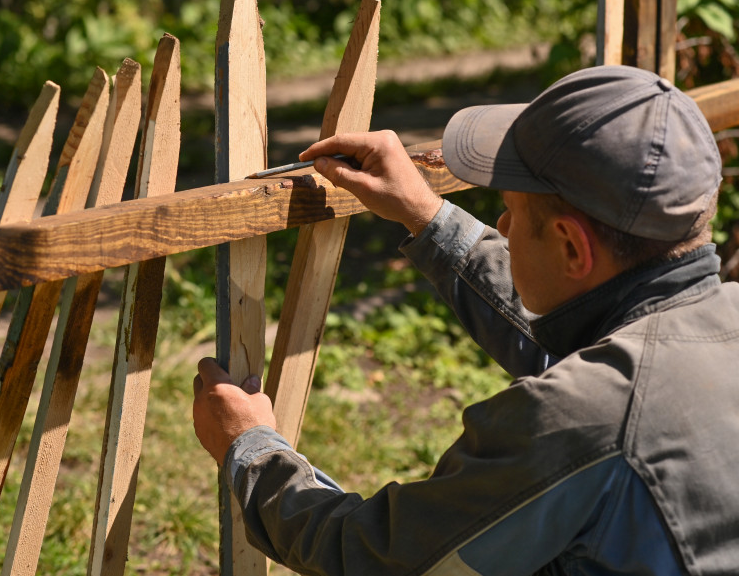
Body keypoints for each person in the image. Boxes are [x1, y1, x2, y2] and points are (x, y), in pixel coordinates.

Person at [192, 64, 739, 575]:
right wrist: (425, 214)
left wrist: (251, 448)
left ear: (572, 248)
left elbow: (378, 556)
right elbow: (600, 356)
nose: (500, 224)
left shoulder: (581, 418)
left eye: (512, 212)